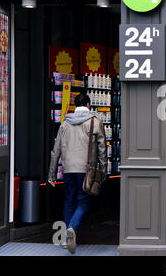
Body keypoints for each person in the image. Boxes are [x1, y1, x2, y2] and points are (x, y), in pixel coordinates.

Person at [48, 93, 107, 254]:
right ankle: (72, 229)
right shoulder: (95, 122)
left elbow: (56, 151)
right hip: (86, 170)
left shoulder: (65, 123)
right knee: (84, 201)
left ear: (75, 106)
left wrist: (52, 174)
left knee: (69, 201)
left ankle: (67, 240)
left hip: (68, 170)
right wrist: (104, 171)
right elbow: (102, 149)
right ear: (88, 105)